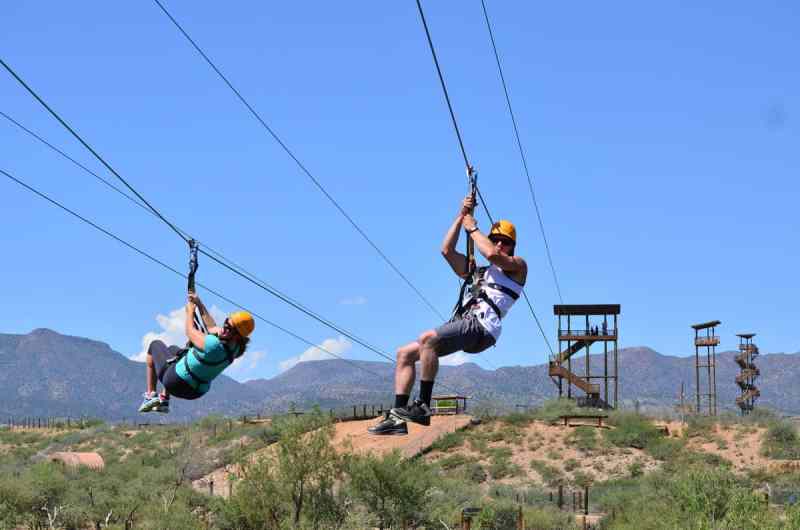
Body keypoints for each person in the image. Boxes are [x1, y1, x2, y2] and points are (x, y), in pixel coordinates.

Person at [369, 195, 526, 435]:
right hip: (465, 323)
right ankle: (397, 418)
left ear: (512, 246)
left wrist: (472, 227)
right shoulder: (478, 272)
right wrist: (461, 216)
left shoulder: (517, 266)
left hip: (482, 327)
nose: (499, 245)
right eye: (495, 240)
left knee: (428, 338)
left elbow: (492, 256)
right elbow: (446, 250)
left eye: (504, 242)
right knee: (404, 354)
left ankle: (422, 406)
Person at [138, 293, 255, 413]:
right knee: (174, 350)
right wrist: (199, 304)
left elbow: (189, 331)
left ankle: (150, 395)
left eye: (229, 328)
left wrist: (190, 312)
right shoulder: (235, 348)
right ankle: (164, 400)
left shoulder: (214, 345)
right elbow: (212, 327)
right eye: (226, 323)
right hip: (196, 391)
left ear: (238, 336)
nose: (224, 328)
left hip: (176, 382)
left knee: (154, 345)